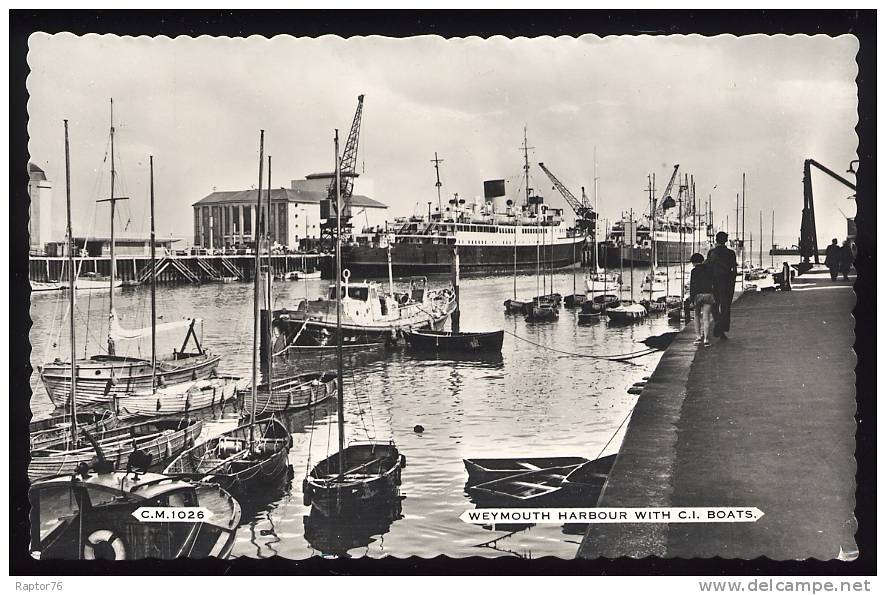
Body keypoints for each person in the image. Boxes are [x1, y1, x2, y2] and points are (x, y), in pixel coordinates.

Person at [706, 231, 738, 340]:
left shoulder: (711, 253)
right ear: (726, 240)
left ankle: (718, 322)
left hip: (714, 282)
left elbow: (708, 269)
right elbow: (734, 270)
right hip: (727, 282)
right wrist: (732, 282)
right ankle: (723, 328)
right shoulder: (731, 253)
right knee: (726, 306)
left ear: (716, 240)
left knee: (715, 305)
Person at [689, 252, 716, 347]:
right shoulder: (709, 270)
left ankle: (698, 337)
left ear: (694, 262)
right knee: (706, 318)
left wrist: (692, 300)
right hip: (708, 295)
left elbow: (692, 286)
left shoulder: (694, 271)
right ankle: (706, 339)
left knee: (696, 316)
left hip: (697, 296)